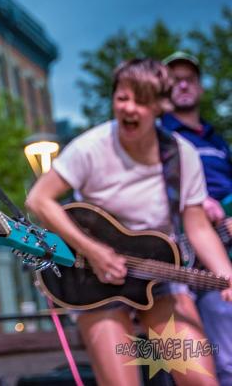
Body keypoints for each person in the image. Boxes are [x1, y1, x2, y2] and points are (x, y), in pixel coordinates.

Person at [26, 58, 232, 386]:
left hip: (159, 274)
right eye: (122, 98)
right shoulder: (90, 147)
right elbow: (39, 199)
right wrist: (93, 251)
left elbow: (197, 226)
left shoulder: (182, 155)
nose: (130, 109)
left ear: (160, 106)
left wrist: (227, 274)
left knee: (200, 379)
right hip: (95, 282)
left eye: (142, 101)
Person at [163, 51, 232, 385]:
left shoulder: (216, 139)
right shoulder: (160, 134)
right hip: (182, 244)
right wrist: (196, 200)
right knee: (189, 354)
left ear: (200, 87)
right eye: (174, 80)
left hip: (222, 241)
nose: (183, 85)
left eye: (189, 78)